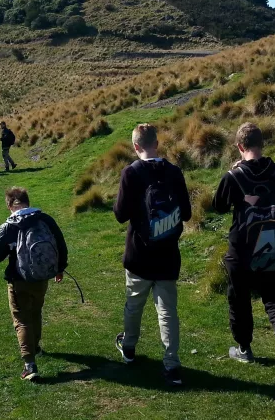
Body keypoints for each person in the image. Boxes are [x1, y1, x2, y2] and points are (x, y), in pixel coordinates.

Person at [212, 122, 275, 385]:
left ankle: (244, 349)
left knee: (239, 300)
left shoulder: (234, 176)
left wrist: (233, 177)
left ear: (240, 147)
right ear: (262, 144)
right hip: (274, 249)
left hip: (241, 252)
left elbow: (218, 206)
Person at [113, 123, 192, 387]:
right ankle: (171, 365)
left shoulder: (131, 173)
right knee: (167, 311)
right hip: (168, 254)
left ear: (136, 146)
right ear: (156, 143)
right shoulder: (174, 172)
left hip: (139, 253)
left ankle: (130, 348)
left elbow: (120, 214)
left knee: (133, 305)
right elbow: (188, 213)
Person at [0, 187, 68, 381]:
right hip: (41, 277)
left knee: (21, 319)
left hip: (18, 279)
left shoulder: (9, 226)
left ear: (9, 205)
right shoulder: (45, 219)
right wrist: (59, 269)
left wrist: (6, 247)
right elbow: (60, 243)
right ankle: (36, 346)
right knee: (35, 312)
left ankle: (29, 364)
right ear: (28, 201)